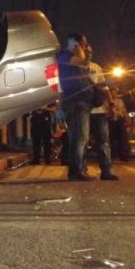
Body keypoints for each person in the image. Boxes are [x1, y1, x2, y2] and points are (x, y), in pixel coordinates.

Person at [56, 33, 96, 181]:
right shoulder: (64, 55)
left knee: (81, 137)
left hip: (82, 102)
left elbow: (84, 64)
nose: (86, 47)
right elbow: (82, 61)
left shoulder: (69, 58)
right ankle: (76, 171)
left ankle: (79, 170)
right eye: (83, 44)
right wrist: (80, 48)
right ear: (75, 43)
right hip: (75, 101)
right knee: (79, 137)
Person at [87, 51, 119, 180]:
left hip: (100, 111)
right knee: (82, 142)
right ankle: (80, 171)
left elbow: (104, 88)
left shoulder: (96, 67)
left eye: (89, 51)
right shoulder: (74, 68)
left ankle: (107, 172)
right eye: (85, 51)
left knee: (103, 142)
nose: (88, 53)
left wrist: (111, 105)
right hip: (83, 111)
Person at [108, 87, 132, 162]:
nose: (114, 94)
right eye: (112, 92)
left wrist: (127, 119)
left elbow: (124, 110)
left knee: (123, 139)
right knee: (111, 139)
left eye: (115, 92)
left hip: (120, 120)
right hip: (111, 121)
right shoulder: (108, 101)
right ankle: (112, 155)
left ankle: (123, 156)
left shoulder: (120, 101)